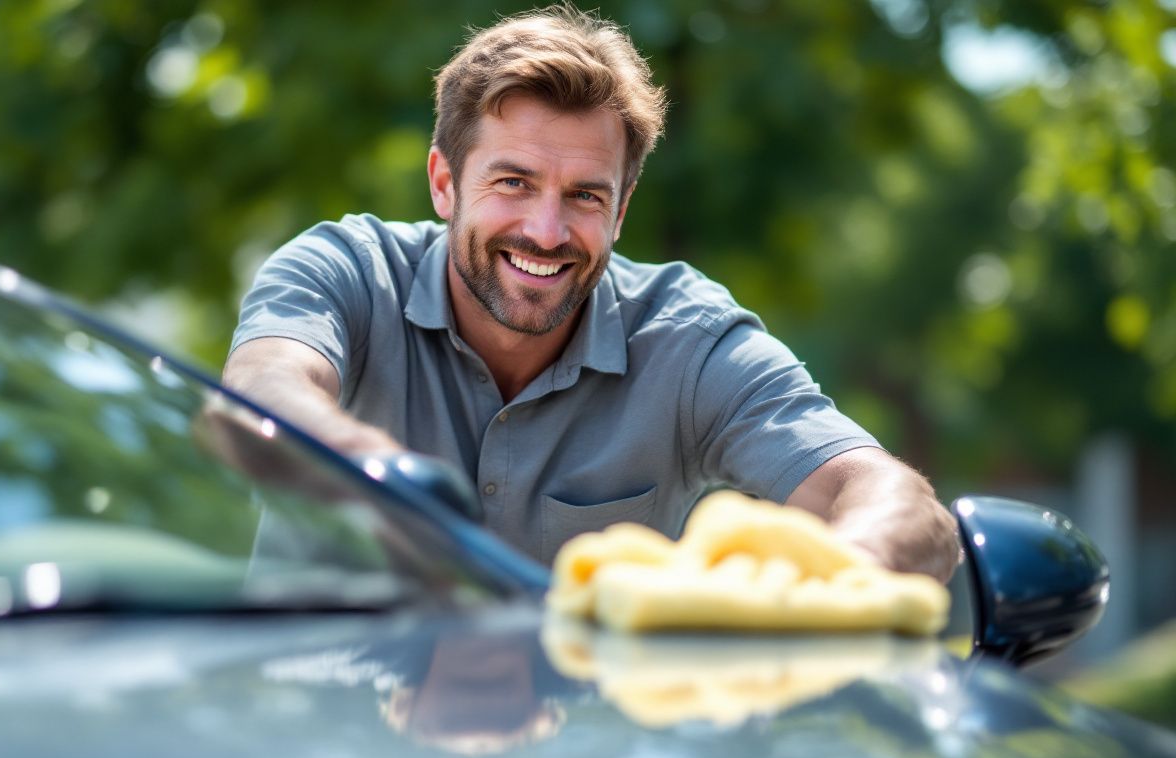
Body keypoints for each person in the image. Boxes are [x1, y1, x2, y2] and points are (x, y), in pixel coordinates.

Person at [223, 5, 960, 582]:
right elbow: (260, 393)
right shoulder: (345, 270)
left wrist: (841, 579)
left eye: (584, 195)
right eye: (513, 182)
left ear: (622, 210)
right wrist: (375, 472)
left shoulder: (689, 342)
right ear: (445, 184)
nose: (546, 231)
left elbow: (888, 499)